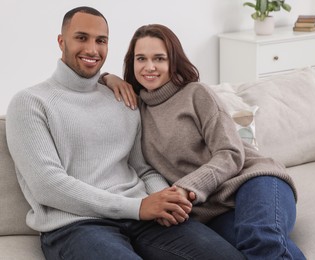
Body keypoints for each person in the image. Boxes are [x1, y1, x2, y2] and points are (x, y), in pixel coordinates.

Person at [6, 7, 246, 260]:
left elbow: (143, 168)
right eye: (81, 37)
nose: (92, 49)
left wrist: (166, 199)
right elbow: (48, 185)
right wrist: (139, 207)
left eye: (101, 41)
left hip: (143, 217)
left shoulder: (123, 98)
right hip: (77, 226)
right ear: (61, 41)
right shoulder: (30, 102)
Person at [102, 24, 306, 259]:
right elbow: (83, 81)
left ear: (173, 61)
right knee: (252, 251)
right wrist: (108, 78)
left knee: (260, 237)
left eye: (159, 58)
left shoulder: (195, 93)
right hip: (212, 210)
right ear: (132, 63)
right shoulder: (135, 109)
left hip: (254, 180)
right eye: (141, 59)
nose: (149, 67)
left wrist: (187, 187)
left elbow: (230, 152)